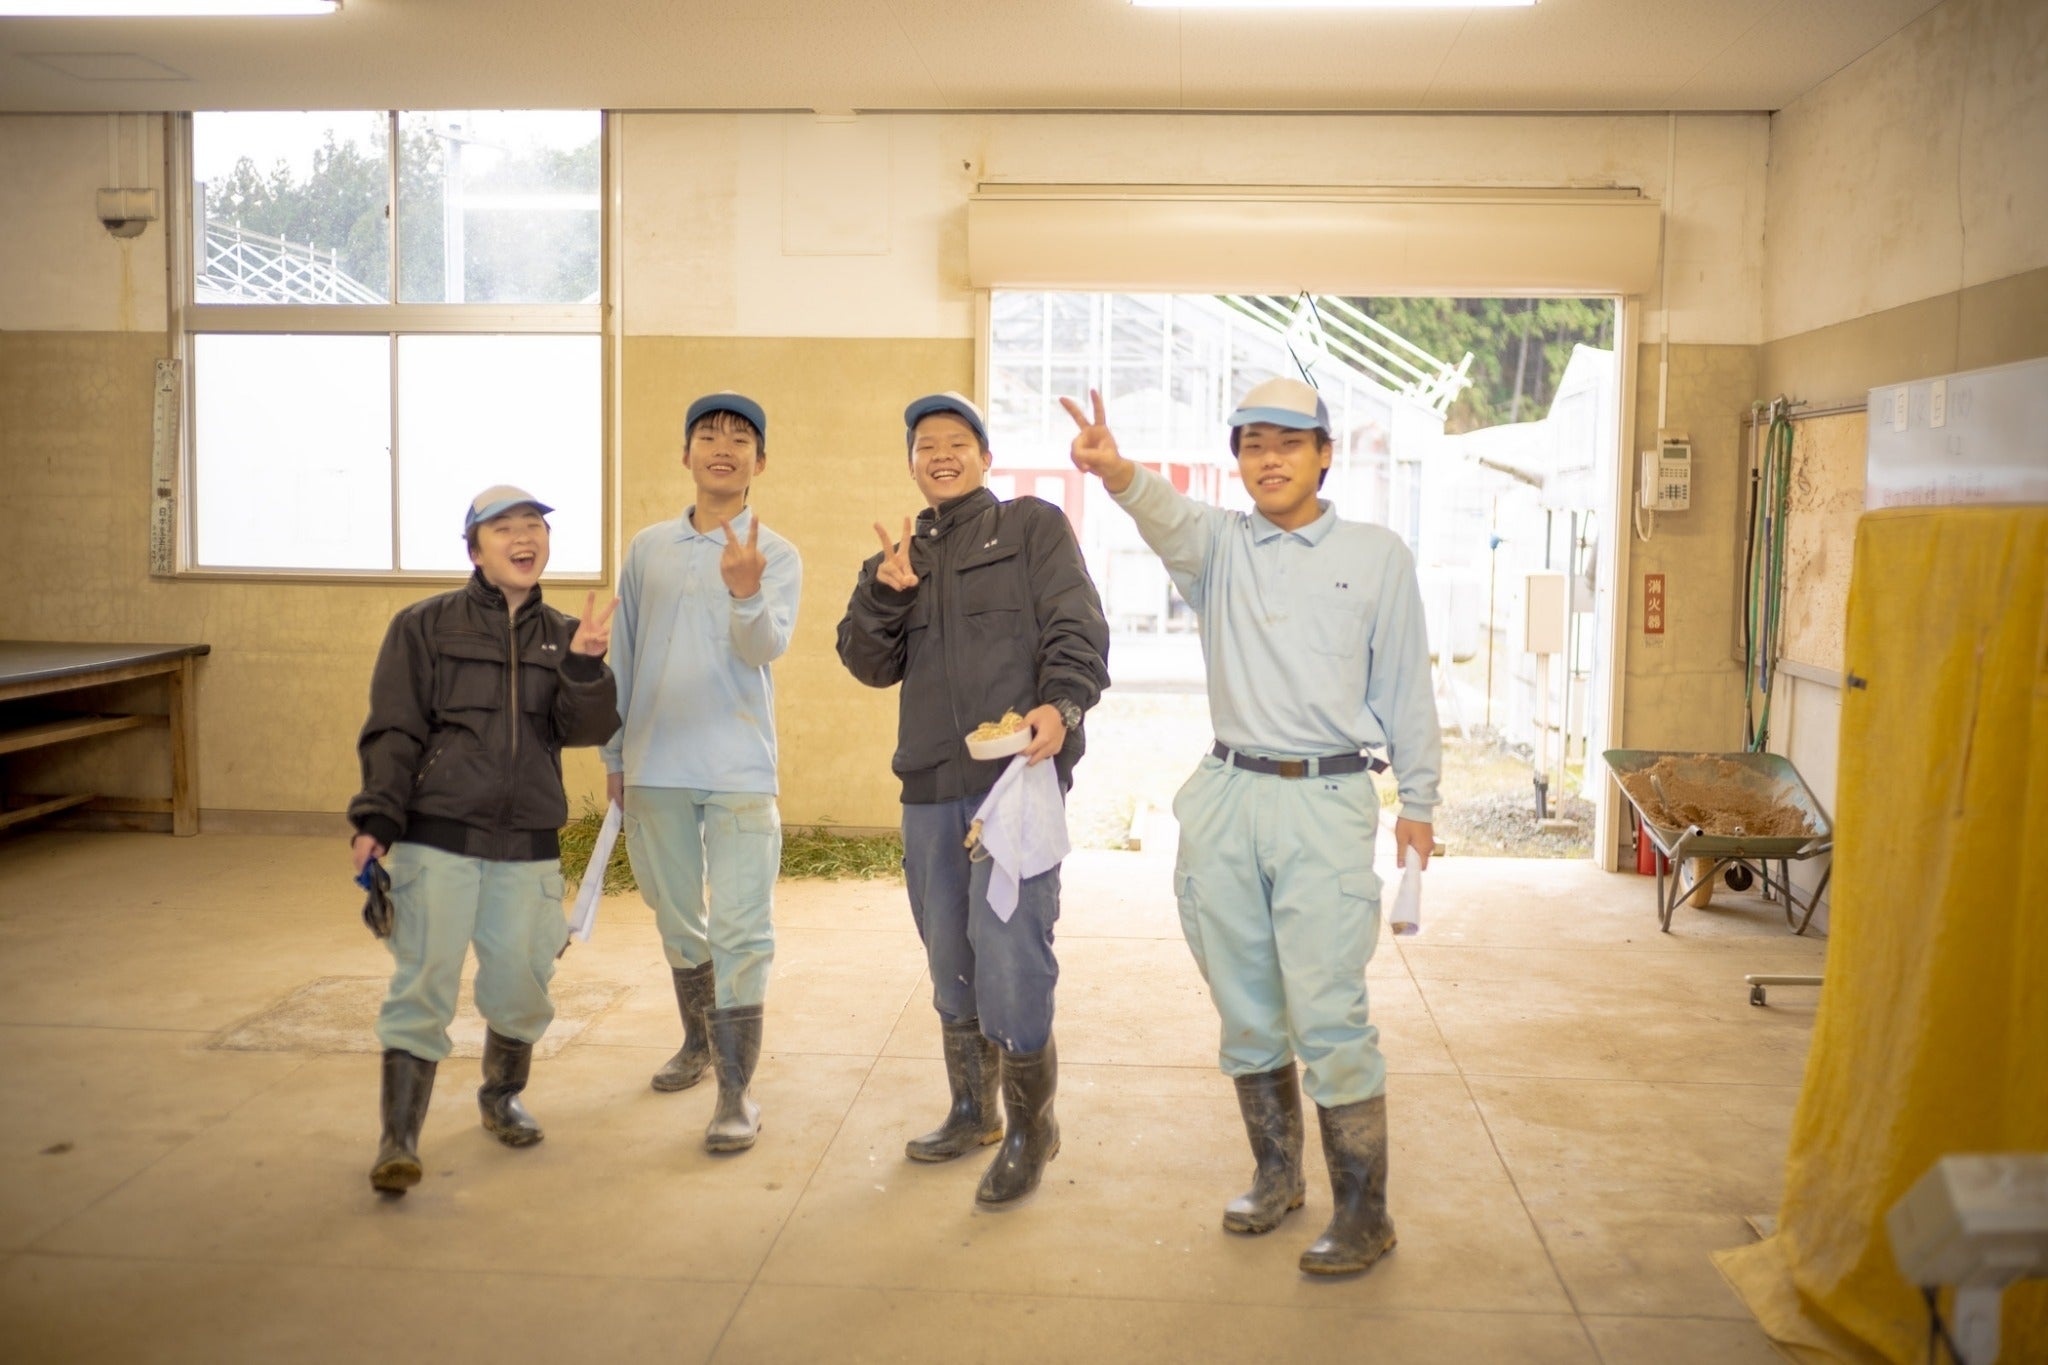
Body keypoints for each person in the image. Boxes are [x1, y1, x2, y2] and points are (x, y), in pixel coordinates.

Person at [1063, 378, 1440, 1274]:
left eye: (1288, 442)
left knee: (1330, 1007)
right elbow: (1161, 510)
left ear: (1324, 454)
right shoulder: (1218, 548)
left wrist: (1420, 801)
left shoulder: (1377, 556)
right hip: (1229, 793)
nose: (1269, 460)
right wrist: (1114, 468)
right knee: (1244, 1000)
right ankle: (1277, 1175)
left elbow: (1406, 685)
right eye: (1252, 445)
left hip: (1326, 797)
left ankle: (1365, 1212)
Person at [836, 392, 1110, 1206]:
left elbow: (1076, 625)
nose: (942, 454)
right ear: (912, 463)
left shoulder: (1030, 528)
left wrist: (1062, 704)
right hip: (929, 786)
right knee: (948, 957)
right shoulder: (899, 557)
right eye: (926, 444)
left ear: (985, 456)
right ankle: (972, 1109)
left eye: (958, 441)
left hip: (1014, 781)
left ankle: (1031, 1126)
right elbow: (864, 661)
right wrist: (886, 595)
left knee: (1012, 954)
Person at [348, 485, 620, 1197]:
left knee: (523, 981)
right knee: (423, 981)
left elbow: (586, 730)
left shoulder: (564, 634)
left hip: (527, 840)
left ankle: (501, 1096)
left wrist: (586, 666)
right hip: (438, 835)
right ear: (474, 548)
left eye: (534, 526)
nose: (524, 537)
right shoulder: (424, 626)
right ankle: (398, 1140)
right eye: (505, 528)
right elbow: (394, 727)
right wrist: (377, 819)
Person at [601, 392, 801, 1154]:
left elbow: (764, 648)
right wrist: (616, 755)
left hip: (741, 766)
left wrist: (745, 588)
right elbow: (623, 652)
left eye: (740, 438)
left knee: (743, 926)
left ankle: (735, 1092)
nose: (723, 447)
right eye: (708, 435)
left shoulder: (776, 553)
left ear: (760, 462)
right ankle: (698, 1040)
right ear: (685, 455)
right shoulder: (648, 548)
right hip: (655, 763)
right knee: (676, 914)